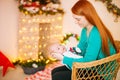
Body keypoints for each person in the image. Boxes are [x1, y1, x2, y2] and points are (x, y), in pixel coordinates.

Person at [51, 0, 119, 80]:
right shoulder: (85, 30)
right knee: (54, 71)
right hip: (92, 66)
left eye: (78, 19)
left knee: (58, 76)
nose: (75, 22)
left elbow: (88, 62)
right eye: (74, 19)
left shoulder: (96, 33)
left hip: (101, 72)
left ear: (88, 16)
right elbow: (80, 50)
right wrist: (67, 52)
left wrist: (64, 59)